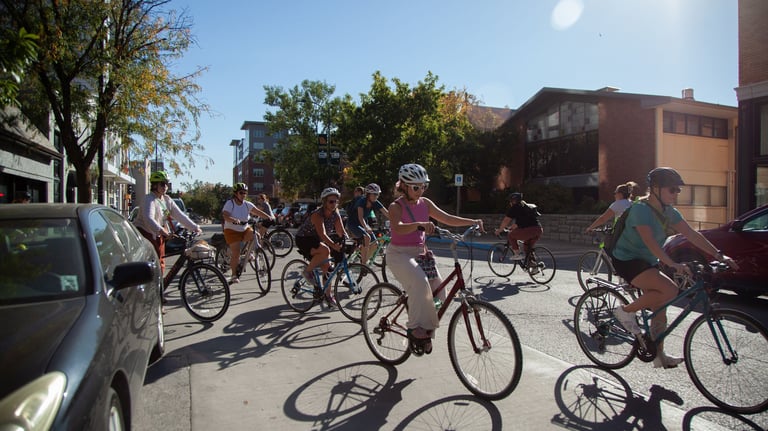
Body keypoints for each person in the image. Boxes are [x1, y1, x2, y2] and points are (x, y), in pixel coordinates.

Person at [610, 167, 739, 369]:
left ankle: (659, 355)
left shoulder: (670, 212)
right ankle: (625, 312)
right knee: (670, 289)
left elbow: (692, 235)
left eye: (678, 190)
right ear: (655, 189)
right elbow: (649, 240)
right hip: (627, 259)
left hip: (648, 260)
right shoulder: (640, 209)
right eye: (672, 189)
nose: (676, 194)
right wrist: (672, 264)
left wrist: (719, 255)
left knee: (660, 308)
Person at [387, 163, 484, 354]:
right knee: (420, 282)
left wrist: (472, 222)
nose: (420, 190)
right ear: (404, 186)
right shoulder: (395, 206)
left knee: (440, 292)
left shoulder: (425, 204)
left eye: (424, 186)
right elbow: (397, 227)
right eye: (416, 187)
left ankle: (427, 331)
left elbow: (447, 218)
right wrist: (419, 225)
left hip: (420, 253)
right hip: (399, 254)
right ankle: (415, 328)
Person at [134, 170, 202, 275]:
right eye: (162, 184)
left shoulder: (166, 199)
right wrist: (163, 231)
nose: (165, 186)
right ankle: (153, 288)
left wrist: (194, 227)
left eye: (166, 184)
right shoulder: (149, 199)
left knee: (161, 264)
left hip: (158, 234)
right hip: (145, 234)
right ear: (155, 185)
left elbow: (179, 215)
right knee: (152, 265)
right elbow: (148, 219)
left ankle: (159, 287)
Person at [294, 187, 348, 305]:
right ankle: (307, 271)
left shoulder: (335, 213)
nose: (334, 204)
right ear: (324, 202)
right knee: (325, 249)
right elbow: (322, 234)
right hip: (304, 239)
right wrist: (334, 246)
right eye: (331, 201)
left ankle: (328, 295)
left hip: (317, 240)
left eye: (336, 201)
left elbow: (341, 231)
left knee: (327, 267)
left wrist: (350, 241)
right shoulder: (317, 215)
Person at [221, 183, 273, 284]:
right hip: (231, 231)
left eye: (245, 193)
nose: (243, 195)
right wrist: (233, 220)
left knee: (256, 235)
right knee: (236, 253)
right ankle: (234, 275)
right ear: (236, 193)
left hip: (244, 229)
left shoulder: (246, 204)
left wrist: (269, 217)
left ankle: (249, 254)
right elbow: (225, 216)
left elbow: (257, 211)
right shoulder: (230, 203)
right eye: (241, 193)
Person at [346, 183, 389, 264]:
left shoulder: (375, 202)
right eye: (375, 194)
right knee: (367, 237)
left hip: (363, 225)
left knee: (375, 244)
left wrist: (398, 221)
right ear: (368, 194)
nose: (377, 196)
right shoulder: (361, 201)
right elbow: (360, 217)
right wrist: (366, 227)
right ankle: (363, 264)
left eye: (378, 194)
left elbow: (387, 213)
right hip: (353, 224)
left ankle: (363, 261)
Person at [493, 192, 543, 261]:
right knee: (527, 247)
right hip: (538, 229)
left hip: (529, 230)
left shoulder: (515, 207)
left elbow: (506, 220)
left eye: (510, 201)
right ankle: (534, 266)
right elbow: (520, 223)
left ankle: (517, 254)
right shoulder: (525, 206)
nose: (509, 203)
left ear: (513, 201)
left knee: (511, 235)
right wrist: (510, 227)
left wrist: (499, 230)